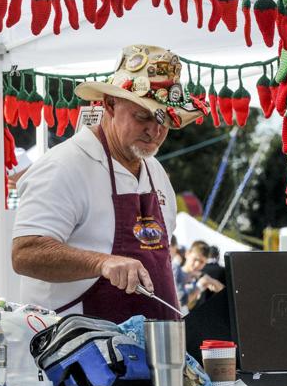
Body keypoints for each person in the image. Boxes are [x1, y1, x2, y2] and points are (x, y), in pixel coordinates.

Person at [11, 44, 207, 322]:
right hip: (79, 352)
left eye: (165, 119)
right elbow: (25, 253)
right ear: (110, 104)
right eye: (142, 116)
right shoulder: (64, 165)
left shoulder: (156, 171)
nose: (154, 130)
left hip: (152, 349)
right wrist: (102, 263)